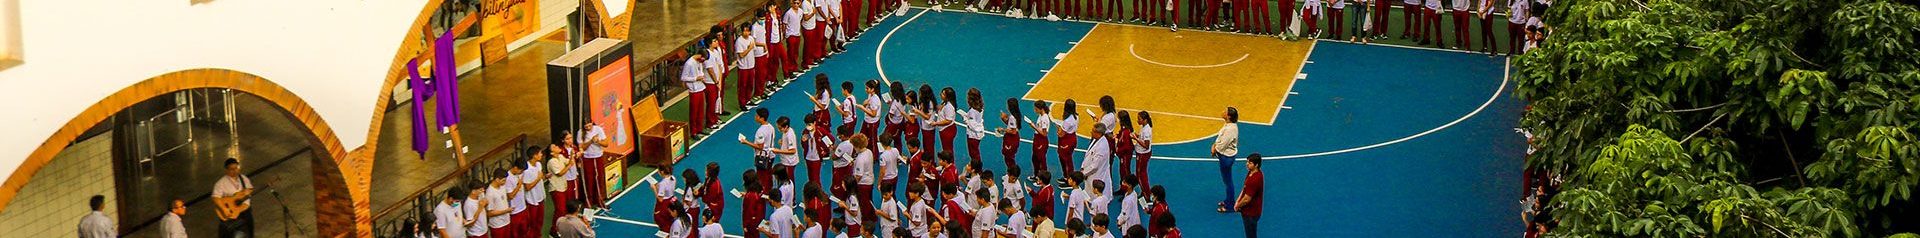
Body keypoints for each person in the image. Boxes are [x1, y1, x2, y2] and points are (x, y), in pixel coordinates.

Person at [213, 158, 255, 238]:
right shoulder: (221, 183)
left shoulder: (243, 178)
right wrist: (224, 209)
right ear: (227, 170)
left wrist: (248, 191)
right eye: (232, 169)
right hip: (232, 214)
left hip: (246, 212)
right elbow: (215, 197)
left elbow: (250, 189)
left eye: (236, 168)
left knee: (249, 232)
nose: (235, 171)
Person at [1212, 107, 1240, 213]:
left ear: (1229, 116)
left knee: (1228, 182)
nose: (1223, 112)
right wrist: (1215, 144)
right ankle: (1228, 200)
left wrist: (1214, 149)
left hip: (1226, 158)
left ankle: (1230, 205)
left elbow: (1222, 145)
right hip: (1226, 156)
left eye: (1225, 111)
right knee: (1227, 181)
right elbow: (1220, 138)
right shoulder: (1229, 126)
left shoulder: (1230, 129)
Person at [579, 121, 612, 209]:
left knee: (599, 178)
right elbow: (582, 147)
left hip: (598, 157)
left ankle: (599, 200)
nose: (587, 126)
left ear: (591, 123)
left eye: (589, 124)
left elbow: (606, 144)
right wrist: (591, 141)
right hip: (587, 159)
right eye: (585, 125)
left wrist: (598, 141)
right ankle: (588, 202)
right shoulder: (580, 132)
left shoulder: (598, 129)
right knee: (589, 180)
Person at [1235, 153, 1266, 238]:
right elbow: (1245, 188)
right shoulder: (1252, 173)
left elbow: (1247, 199)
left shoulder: (1254, 180)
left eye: (1250, 163)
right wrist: (1238, 200)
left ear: (1256, 165)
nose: (1247, 164)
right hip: (1250, 210)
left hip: (1251, 213)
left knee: (1251, 235)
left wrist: (1238, 205)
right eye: (1247, 162)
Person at [519, 153, 549, 238]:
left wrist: (545, 176)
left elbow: (541, 177)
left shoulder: (539, 164)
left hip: (541, 197)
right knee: (532, 223)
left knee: (540, 221)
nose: (542, 154)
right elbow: (527, 187)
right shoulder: (527, 170)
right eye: (540, 153)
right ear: (534, 155)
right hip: (532, 200)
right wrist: (538, 178)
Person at [547, 145, 577, 219]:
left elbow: (570, 162)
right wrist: (569, 165)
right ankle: (554, 229)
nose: (557, 147)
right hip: (556, 188)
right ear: (552, 153)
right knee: (560, 210)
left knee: (564, 209)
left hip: (563, 186)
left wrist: (572, 155)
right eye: (554, 147)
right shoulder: (551, 162)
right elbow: (560, 173)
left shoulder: (560, 156)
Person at [1050, 100, 1080, 172]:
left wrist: (1058, 127)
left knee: (1065, 159)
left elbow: (1061, 134)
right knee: (1067, 159)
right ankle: (1068, 177)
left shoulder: (1067, 121)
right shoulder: (1076, 116)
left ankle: (1068, 177)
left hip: (1066, 141)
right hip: (1072, 138)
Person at [485, 168, 515, 237]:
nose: (505, 182)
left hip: (506, 221)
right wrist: (506, 211)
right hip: (497, 225)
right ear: (497, 179)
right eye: (503, 180)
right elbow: (490, 213)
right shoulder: (490, 193)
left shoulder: (502, 186)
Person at [997, 98, 1025, 170]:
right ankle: (1010, 173)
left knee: (1009, 158)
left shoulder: (1012, 117)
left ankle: (1012, 174)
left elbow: (1013, 131)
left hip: (1011, 139)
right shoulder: (1016, 115)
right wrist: (1004, 119)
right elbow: (1011, 126)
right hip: (1013, 138)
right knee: (1010, 157)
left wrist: (1002, 129)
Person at [743, 169, 769, 238]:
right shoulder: (760, 189)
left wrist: (745, 225)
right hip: (759, 218)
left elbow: (749, 212)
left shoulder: (751, 196)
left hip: (752, 223)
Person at [1132, 112, 1153, 189]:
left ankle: (1146, 192)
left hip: (1142, 154)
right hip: (1142, 153)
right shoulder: (1144, 127)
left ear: (1145, 120)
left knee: (1140, 174)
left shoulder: (1146, 130)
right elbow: (1142, 137)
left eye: (1139, 119)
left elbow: (1146, 146)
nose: (1137, 120)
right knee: (1140, 173)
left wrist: (1136, 139)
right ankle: (1144, 191)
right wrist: (1136, 135)